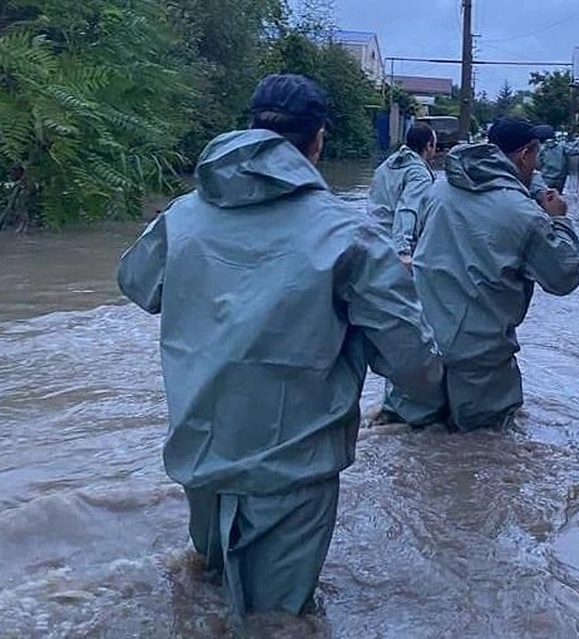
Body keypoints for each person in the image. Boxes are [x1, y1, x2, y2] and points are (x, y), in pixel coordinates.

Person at [116, 74, 444, 616]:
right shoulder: (348, 234)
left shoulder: (183, 215)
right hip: (291, 472)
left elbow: (136, 284)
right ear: (317, 141)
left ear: (250, 128)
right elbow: (416, 365)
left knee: (210, 594)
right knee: (276, 620)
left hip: (200, 454)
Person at [387, 117, 579, 431]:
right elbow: (564, 277)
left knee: (408, 443)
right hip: (480, 371)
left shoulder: (438, 190)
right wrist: (559, 220)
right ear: (525, 155)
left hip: (418, 355)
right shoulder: (524, 214)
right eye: (535, 157)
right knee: (486, 454)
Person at [366, 123, 437, 269]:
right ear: (429, 145)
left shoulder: (385, 166)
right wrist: (403, 251)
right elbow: (407, 208)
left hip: (373, 241)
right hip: (396, 250)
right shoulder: (420, 175)